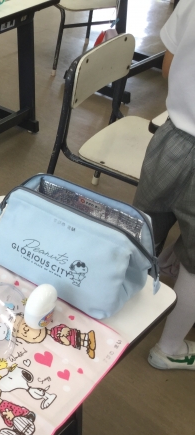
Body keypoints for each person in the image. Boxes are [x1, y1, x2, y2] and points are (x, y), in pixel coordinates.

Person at [133, 0, 195, 371]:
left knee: (145, 227)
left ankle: (126, 305)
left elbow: (169, 65)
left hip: (171, 136)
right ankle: (169, 347)